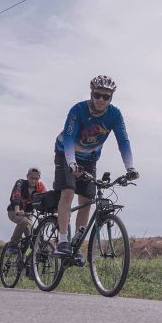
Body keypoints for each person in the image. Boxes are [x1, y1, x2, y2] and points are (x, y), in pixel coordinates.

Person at [53, 75, 139, 259]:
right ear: (91, 93)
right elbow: (68, 138)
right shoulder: (78, 110)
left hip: (90, 158)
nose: (101, 99)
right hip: (66, 154)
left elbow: (123, 141)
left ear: (111, 98)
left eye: (106, 97)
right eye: (97, 95)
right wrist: (71, 163)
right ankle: (62, 241)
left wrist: (130, 168)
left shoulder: (114, 115)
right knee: (68, 191)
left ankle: (76, 242)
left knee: (87, 200)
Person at [7, 167, 47, 249]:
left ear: (39, 178)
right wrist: (17, 210)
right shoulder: (20, 183)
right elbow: (16, 196)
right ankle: (12, 245)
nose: (33, 181)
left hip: (28, 214)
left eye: (36, 179)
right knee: (24, 221)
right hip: (14, 211)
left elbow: (46, 199)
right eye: (31, 178)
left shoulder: (40, 187)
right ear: (27, 176)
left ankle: (27, 259)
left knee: (33, 238)